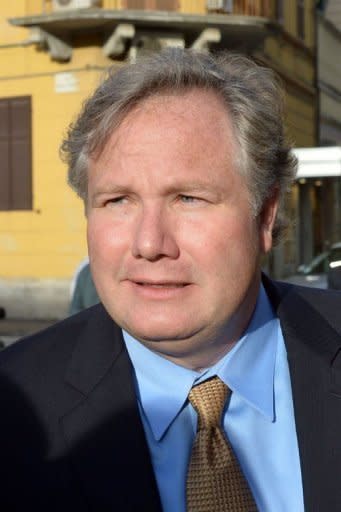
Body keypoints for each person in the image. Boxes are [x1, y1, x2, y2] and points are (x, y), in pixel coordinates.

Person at [0, 48, 340, 512]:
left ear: (265, 215)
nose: (149, 243)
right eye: (118, 200)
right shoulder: (14, 411)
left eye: (187, 198)